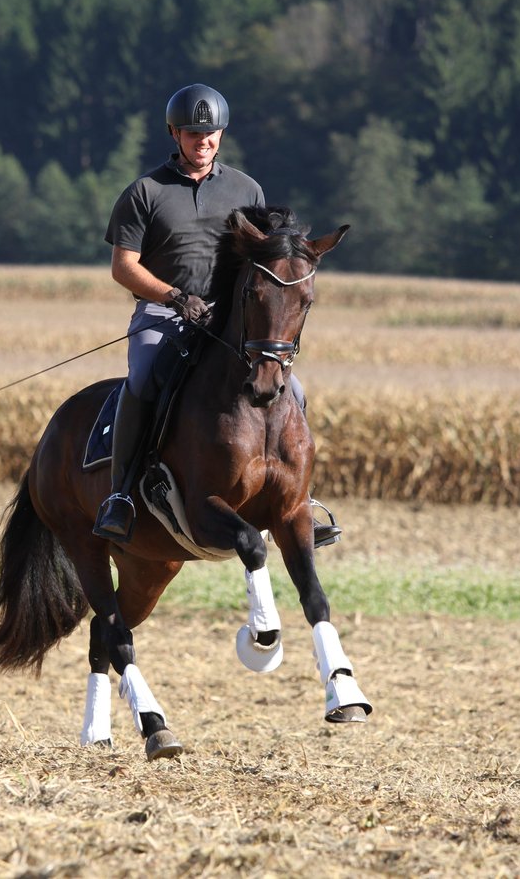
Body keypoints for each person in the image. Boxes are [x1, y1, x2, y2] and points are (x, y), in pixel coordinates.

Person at [93, 83, 343, 549]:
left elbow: (268, 259)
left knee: (296, 389)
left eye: (210, 134)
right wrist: (174, 297)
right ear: (174, 133)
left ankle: (299, 501)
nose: (202, 142)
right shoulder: (144, 192)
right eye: (192, 134)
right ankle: (122, 495)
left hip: (231, 321)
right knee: (145, 378)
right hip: (163, 314)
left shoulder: (246, 189)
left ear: (221, 135)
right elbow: (123, 266)